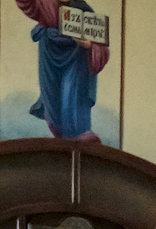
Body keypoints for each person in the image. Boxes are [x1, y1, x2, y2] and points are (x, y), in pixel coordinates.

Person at [15, 0, 109, 141]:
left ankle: (79, 136)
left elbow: (101, 45)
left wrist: (88, 44)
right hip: (50, 56)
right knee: (53, 98)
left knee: (72, 95)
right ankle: (63, 139)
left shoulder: (84, 10)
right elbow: (27, 4)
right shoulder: (46, 4)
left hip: (77, 59)